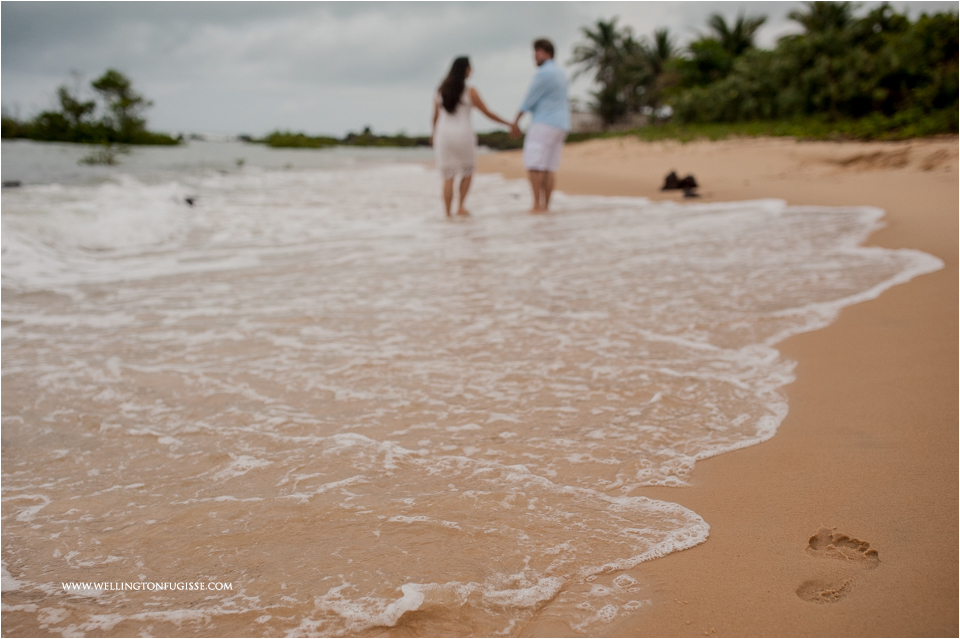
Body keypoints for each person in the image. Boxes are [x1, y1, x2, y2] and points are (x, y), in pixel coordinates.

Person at [431, 56, 517, 217]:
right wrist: (508, 123)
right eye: (470, 67)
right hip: (463, 134)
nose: (472, 70)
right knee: (467, 171)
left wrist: (433, 134)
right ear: (464, 70)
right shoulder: (470, 91)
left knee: (448, 176)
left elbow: (435, 116)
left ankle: (447, 214)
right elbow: (487, 112)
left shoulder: (440, 91)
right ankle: (461, 207)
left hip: (444, 135)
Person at [512, 38, 570, 213]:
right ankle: (546, 205)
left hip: (545, 122)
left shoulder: (543, 73)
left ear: (547, 53)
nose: (534, 57)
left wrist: (515, 122)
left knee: (534, 165)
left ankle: (537, 205)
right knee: (549, 166)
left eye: (537, 52)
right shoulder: (560, 73)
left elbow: (528, 100)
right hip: (561, 124)